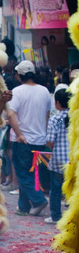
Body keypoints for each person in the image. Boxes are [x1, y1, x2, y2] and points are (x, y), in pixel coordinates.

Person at [7, 60, 52, 216]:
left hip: (24, 139)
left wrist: (19, 134)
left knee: (23, 173)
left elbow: (11, 114)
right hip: (39, 139)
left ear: (19, 75)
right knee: (31, 173)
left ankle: (38, 200)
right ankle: (23, 206)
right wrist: (44, 133)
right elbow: (47, 115)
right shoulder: (45, 91)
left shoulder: (18, 91)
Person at [44, 89, 70, 224]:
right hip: (74, 159)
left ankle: (55, 216)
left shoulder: (55, 118)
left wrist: (53, 148)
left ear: (58, 103)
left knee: (56, 189)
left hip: (58, 158)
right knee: (72, 189)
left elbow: (50, 141)